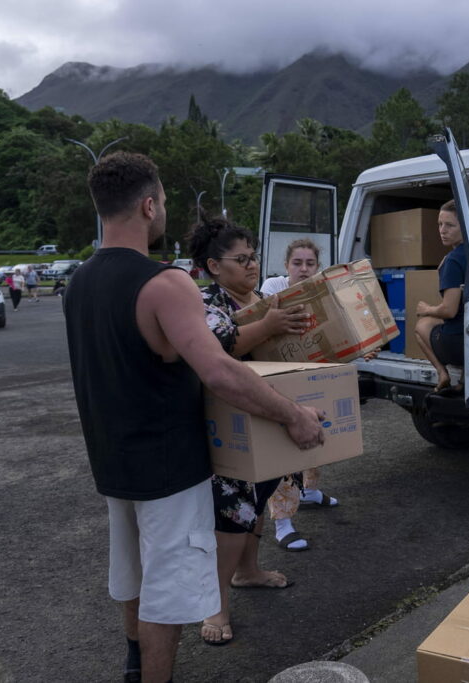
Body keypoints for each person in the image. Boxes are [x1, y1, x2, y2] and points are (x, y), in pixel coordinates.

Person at [63, 152, 325, 682]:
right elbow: (221, 372)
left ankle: (135, 670)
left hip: (113, 462)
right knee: (171, 594)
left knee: (133, 577)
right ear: (149, 205)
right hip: (168, 468)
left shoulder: (78, 282)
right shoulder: (165, 284)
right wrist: (294, 415)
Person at [187, 218, 318, 644]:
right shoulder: (205, 304)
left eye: (254, 257)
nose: (251, 266)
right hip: (226, 426)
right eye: (240, 259)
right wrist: (268, 326)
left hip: (270, 416)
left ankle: (248, 571)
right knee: (230, 516)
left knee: (257, 500)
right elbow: (218, 352)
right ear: (213, 265)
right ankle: (216, 604)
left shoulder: (265, 300)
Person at [260, 239, 341, 552]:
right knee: (286, 450)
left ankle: (309, 492)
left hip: (312, 372)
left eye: (310, 263)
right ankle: (283, 524)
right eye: (298, 263)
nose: (304, 269)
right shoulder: (272, 288)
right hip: (280, 377)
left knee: (319, 434)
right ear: (286, 266)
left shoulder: (322, 289)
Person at [414, 199, 469, 391]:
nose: (442, 230)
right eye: (440, 224)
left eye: (449, 225)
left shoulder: (453, 260)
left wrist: (427, 309)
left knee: (423, 325)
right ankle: (463, 381)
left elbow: (449, 311)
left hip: (463, 343)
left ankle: (442, 373)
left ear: (468, 228)